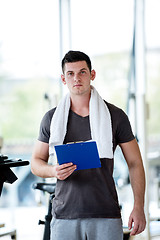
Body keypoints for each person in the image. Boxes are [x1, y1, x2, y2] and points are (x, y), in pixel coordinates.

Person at [31, 50, 146, 240]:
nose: (77, 78)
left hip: (106, 214)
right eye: (71, 73)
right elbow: (36, 162)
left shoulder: (115, 116)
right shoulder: (51, 119)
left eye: (82, 72)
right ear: (63, 78)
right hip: (64, 215)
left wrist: (139, 206)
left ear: (92, 75)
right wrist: (53, 171)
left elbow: (135, 163)